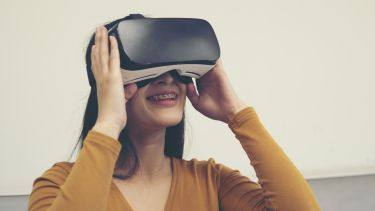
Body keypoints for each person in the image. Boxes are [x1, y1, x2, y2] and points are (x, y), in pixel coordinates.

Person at [28, 15, 321, 211]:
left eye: (175, 70)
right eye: (147, 71)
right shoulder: (58, 185)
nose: (167, 78)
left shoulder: (211, 181)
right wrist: (108, 123)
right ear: (110, 84)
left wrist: (237, 113)